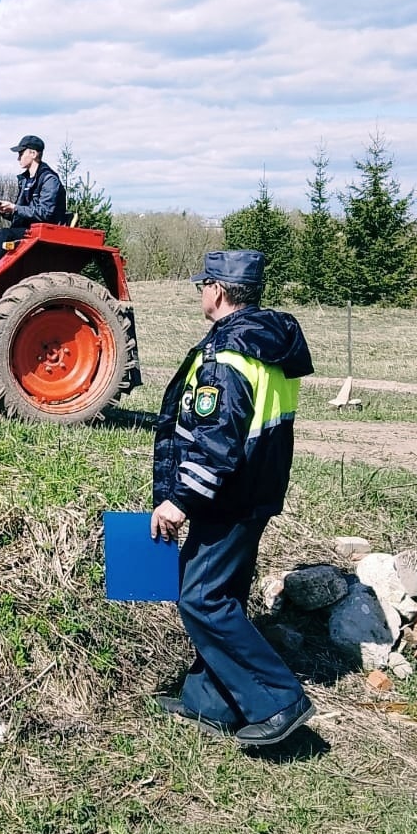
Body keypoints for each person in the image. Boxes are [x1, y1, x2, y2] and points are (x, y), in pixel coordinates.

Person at [150, 250, 316, 748]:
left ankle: (278, 699)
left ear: (218, 291)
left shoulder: (229, 354)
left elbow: (216, 441)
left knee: (200, 597)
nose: (201, 292)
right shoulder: (268, 345)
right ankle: (211, 701)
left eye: (204, 284)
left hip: (226, 499)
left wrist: (179, 501)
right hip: (254, 493)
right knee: (224, 596)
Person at [0, 135, 69, 268]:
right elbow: (19, 213)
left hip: (42, 233)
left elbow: (45, 213)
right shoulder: (26, 180)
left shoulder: (49, 179)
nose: (18, 158)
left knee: (5, 233)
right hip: (28, 230)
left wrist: (14, 207)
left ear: (33, 153)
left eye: (21, 153)